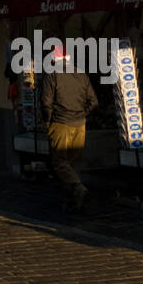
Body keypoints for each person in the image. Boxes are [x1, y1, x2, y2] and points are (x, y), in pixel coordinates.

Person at [40, 40, 99, 212]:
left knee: (59, 162)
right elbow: (94, 102)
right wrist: (82, 114)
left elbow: (46, 103)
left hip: (61, 123)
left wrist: (48, 122)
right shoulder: (80, 74)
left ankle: (79, 189)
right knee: (72, 164)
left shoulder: (52, 75)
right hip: (80, 123)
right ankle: (72, 202)